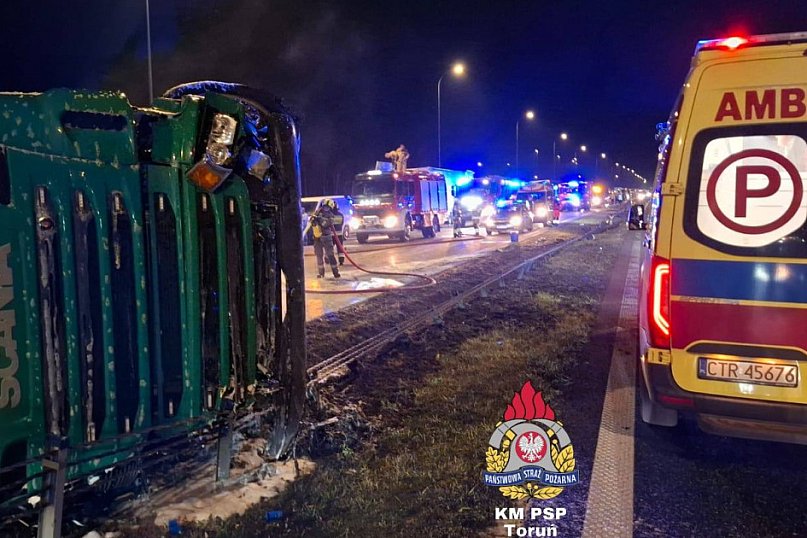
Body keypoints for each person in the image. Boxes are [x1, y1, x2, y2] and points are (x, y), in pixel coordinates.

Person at [310, 200, 341, 279]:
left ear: (330, 208)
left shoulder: (331, 215)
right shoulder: (317, 212)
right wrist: (313, 220)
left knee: (330, 255)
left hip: (326, 237)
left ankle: (335, 272)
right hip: (317, 237)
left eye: (327, 207)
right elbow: (312, 221)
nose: (325, 209)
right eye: (324, 207)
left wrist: (319, 218)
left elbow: (325, 224)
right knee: (319, 255)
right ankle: (321, 273)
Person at [329, 200, 346, 266]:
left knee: (330, 248)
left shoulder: (329, 215)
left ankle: (328, 259)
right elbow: (341, 224)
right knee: (340, 248)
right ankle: (341, 261)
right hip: (339, 234)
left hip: (331, 235)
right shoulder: (341, 215)